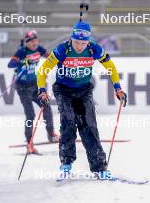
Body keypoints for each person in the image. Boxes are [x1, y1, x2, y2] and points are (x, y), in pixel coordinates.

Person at [37, 21, 127, 179]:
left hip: (84, 90)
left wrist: (118, 88)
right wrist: (42, 91)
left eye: (83, 43)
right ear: (71, 39)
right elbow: (43, 70)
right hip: (63, 90)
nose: (80, 46)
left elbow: (110, 66)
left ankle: (99, 168)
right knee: (69, 121)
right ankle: (66, 163)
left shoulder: (94, 48)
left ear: (88, 41)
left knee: (89, 126)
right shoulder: (63, 49)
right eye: (77, 42)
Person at [8, 30, 59, 153]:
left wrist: (62, 60)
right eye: (31, 41)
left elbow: (51, 57)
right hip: (22, 87)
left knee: (46, 107)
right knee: (30, 114)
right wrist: (22, 61)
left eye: (36, 40)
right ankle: (29, 142)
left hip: (35, 85)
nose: (34, 43)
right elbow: (10, 64)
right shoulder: (22, 51)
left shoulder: (39, 49)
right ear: (26, 43)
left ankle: (51, 134)